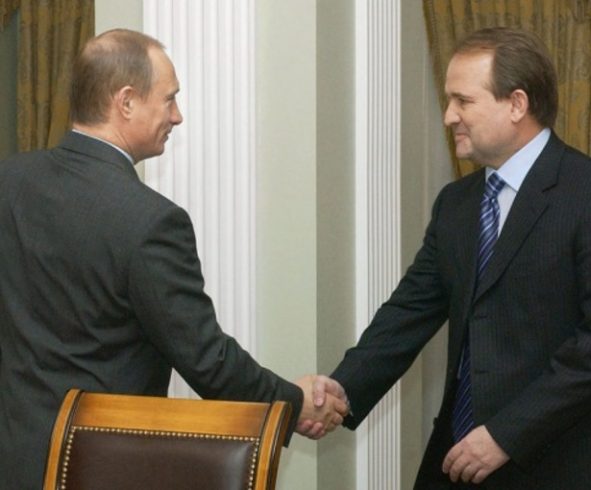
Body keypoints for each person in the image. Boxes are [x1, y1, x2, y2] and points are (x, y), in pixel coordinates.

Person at [0, 29, 347, 490]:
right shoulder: (151, 221)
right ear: (126, 101)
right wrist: (294, 402)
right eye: (169, 99)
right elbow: (208, 360)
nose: (177, 116)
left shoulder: (9, 181)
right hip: (99, 468)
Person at [309, 27, 591, 489]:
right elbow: (409, 311)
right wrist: (343, 389)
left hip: (558, 462)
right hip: (455, 460)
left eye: (463, 101)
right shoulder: (456, 203)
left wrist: (506, 434)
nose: (449, 116)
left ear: (516, 104)